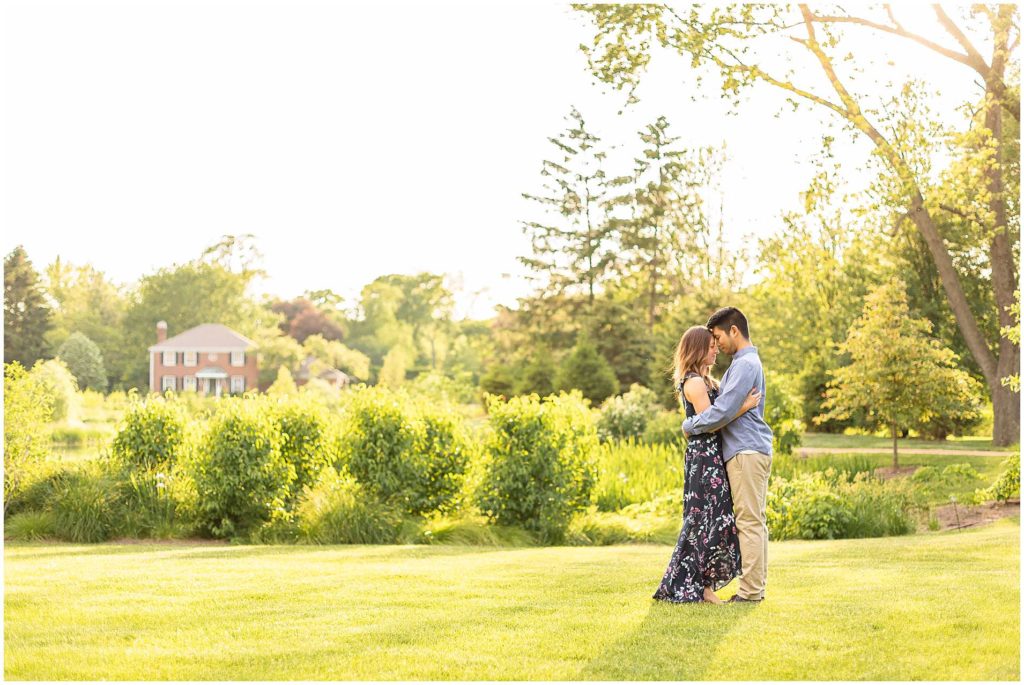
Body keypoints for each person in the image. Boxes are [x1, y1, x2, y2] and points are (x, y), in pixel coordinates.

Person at [653, 325, 761, 604]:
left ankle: (705, 587)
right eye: (711, 346)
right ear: (699, 349)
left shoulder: (707, 381)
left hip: (713, 455)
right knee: (704, 520)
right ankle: (695, 586)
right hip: (704, 458)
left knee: (716, 519)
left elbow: (707, 419)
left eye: (716, 344)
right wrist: (744, 407)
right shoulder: (695, 382)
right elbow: (710, 422)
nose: (716, 350)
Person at [683, 307, 774, 604]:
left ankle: (749, 594)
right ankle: (753, 590)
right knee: (752, 521)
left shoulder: (745, 364)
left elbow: (720, 412)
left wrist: (689, 425)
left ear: (734, 331)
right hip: (746, 449)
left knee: (749, 523)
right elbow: (728, 405)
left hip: (746, 450)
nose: (717, 345)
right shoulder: (741, 364)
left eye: (719, 337)